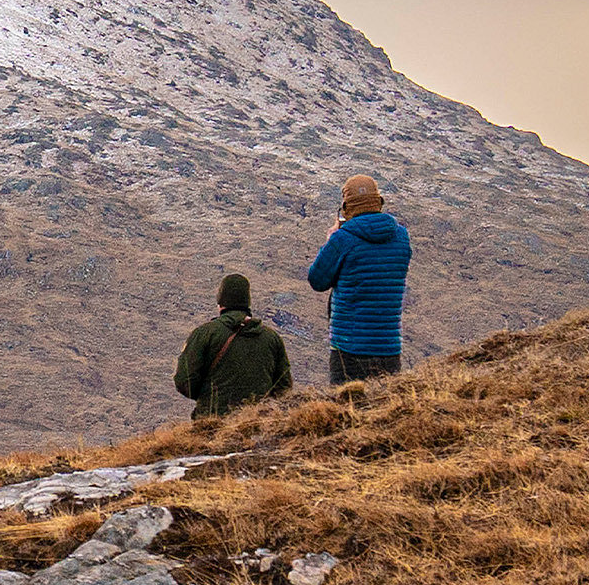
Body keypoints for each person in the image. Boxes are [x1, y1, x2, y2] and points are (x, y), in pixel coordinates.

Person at [308, 174, 412, 384]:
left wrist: (329, 242)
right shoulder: (401, 237)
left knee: (347, 411)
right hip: (389, 347)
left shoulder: (343, 239)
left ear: (346, 208)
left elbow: (317, 280)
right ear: (379, 202)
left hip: (349, 347)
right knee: (384, 411)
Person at [174, 273, 293, 418]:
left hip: (212, 423)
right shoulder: (272, 338)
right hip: (258, 424)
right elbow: (284, 388)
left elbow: (184, 381)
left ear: (221, 302)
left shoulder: (205, 334)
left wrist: (208, 398)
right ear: (247, 302)